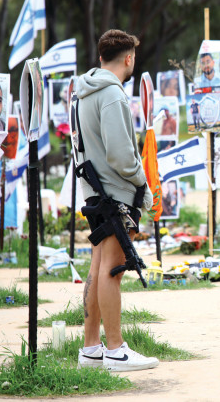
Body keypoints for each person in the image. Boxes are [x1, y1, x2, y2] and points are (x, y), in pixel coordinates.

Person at [76, 29, 158, 372]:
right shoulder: (113, 95)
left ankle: (91, 349)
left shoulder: (83, 92)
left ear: (100, 58)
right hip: (116, 195)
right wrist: (144, 183)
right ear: (129, 58)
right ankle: (116, 350)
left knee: (98, 268)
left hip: (95, 193)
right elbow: (122, 156)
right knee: (112, 270)